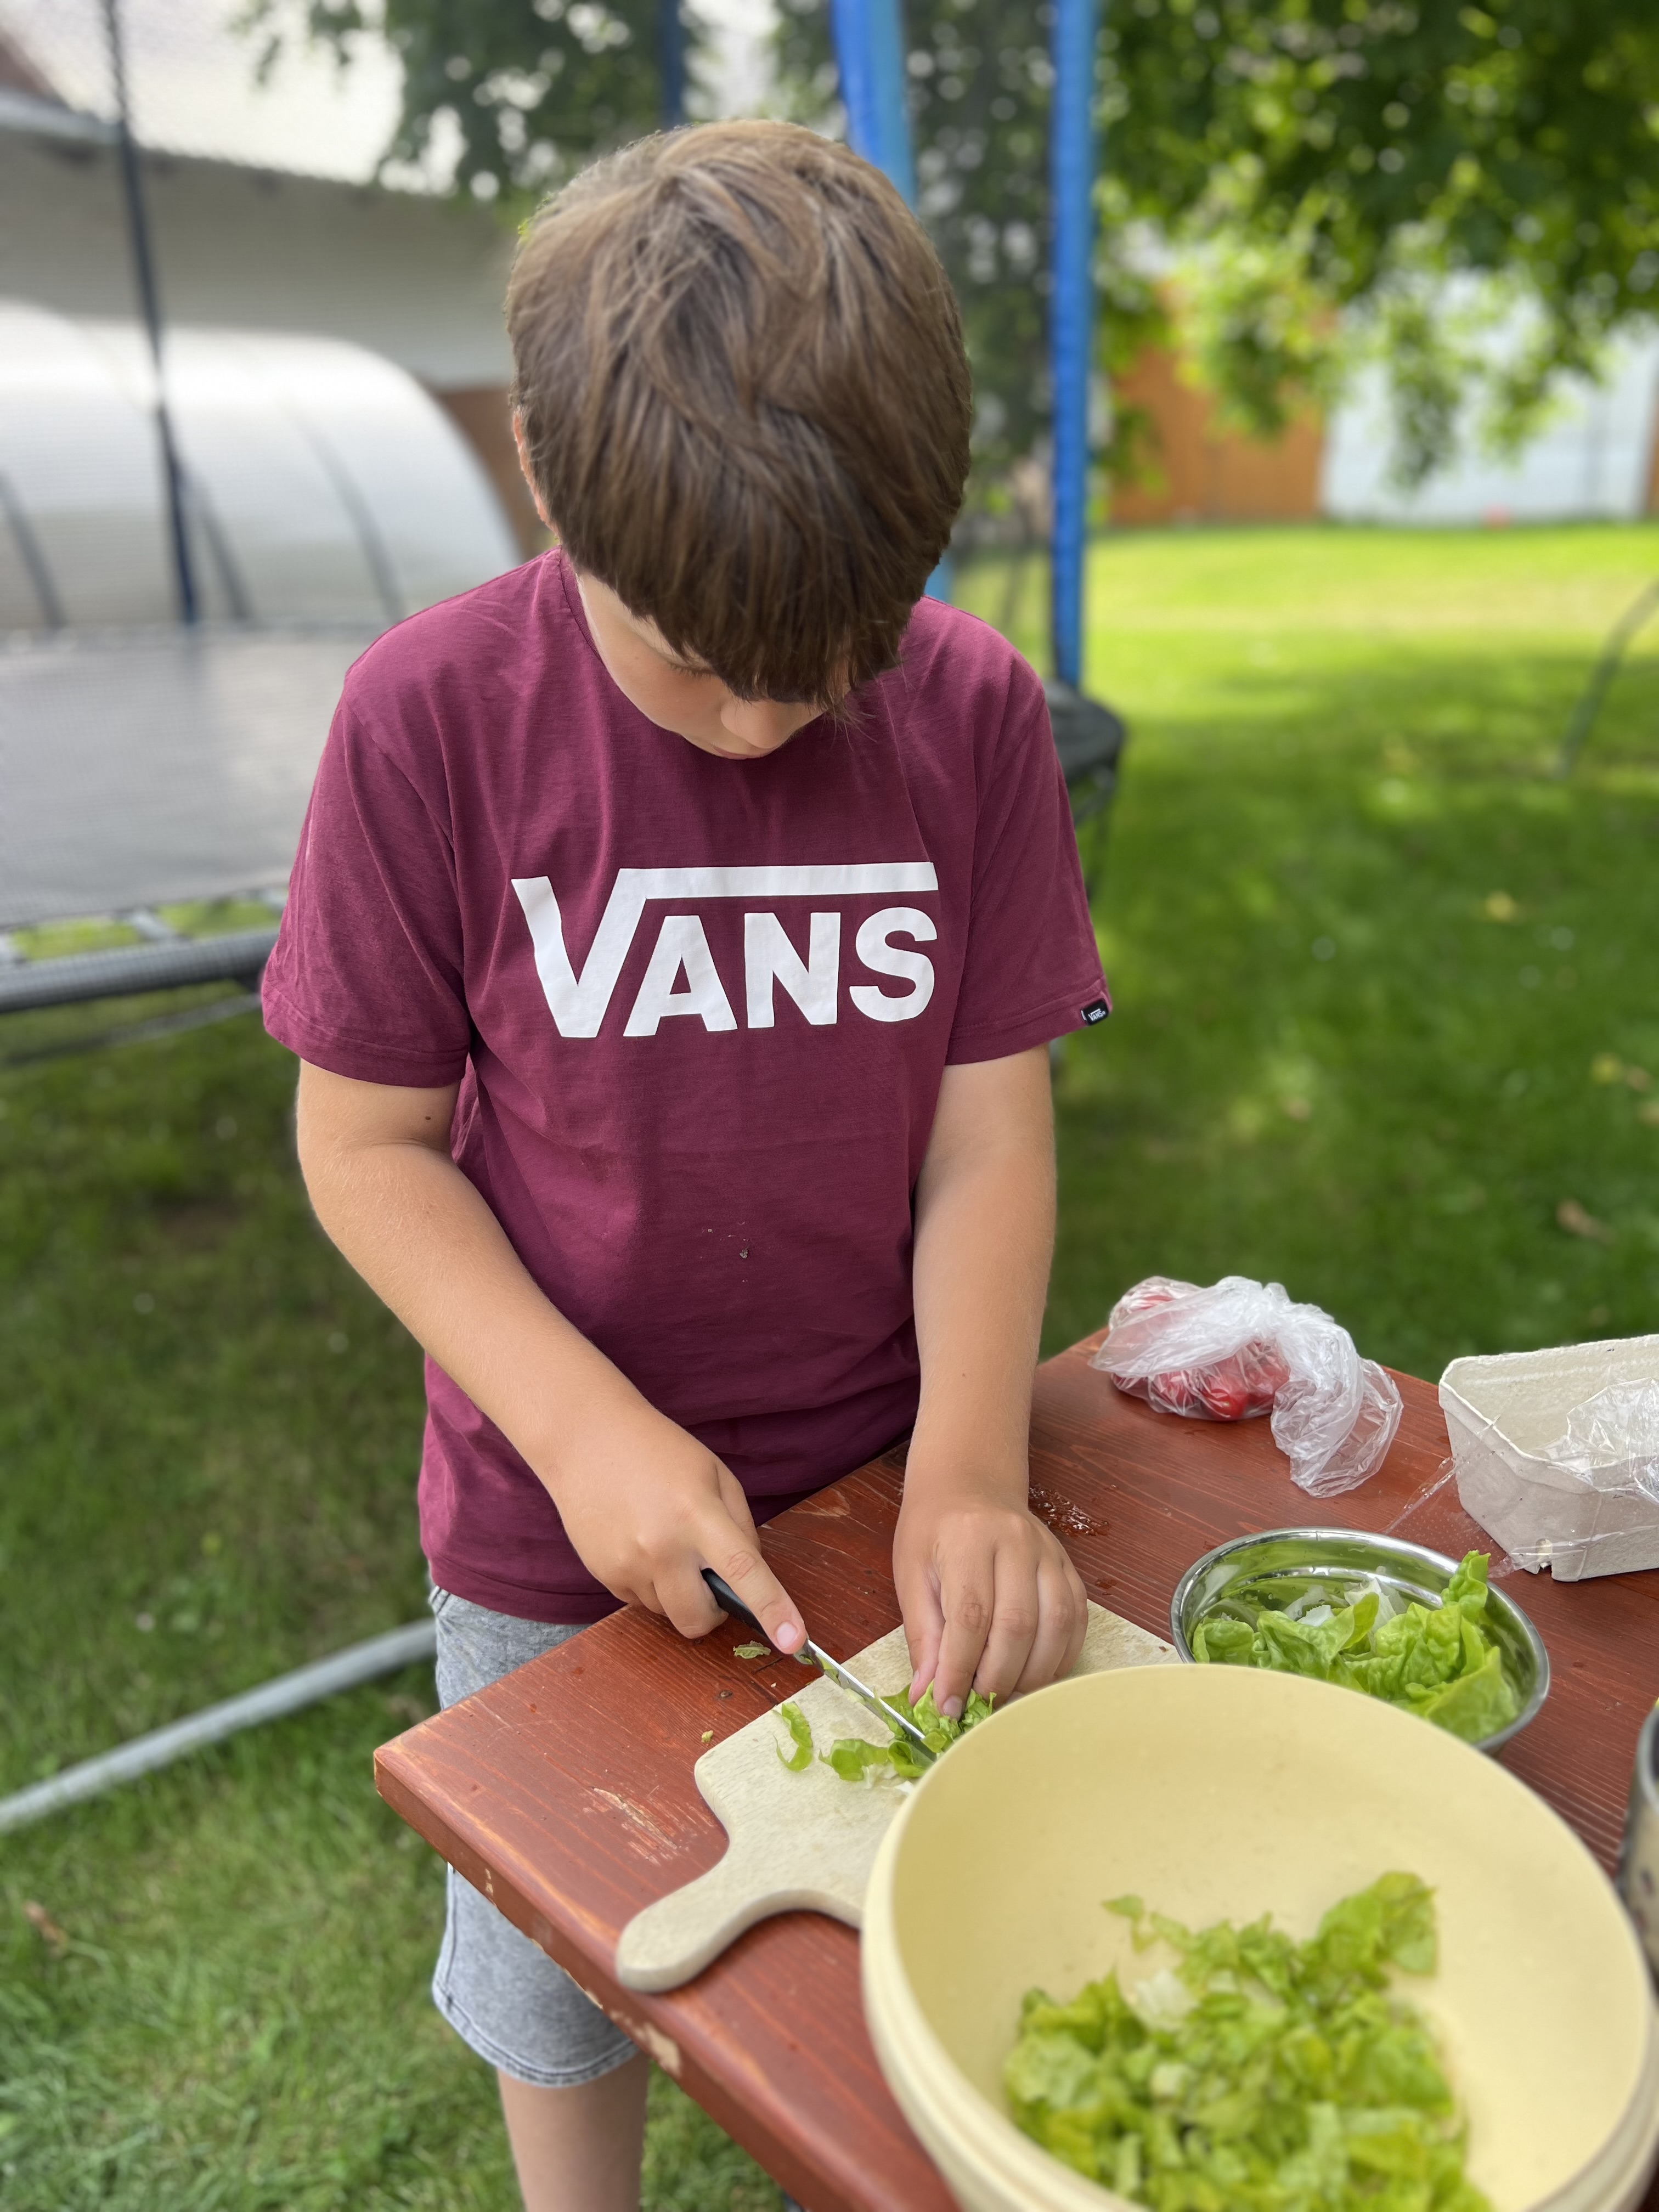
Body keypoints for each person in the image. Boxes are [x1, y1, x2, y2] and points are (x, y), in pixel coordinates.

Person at [263, 118, 1108, 2212]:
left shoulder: (973, 711)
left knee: (934, 1925)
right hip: (549, 1532)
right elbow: (365, 1146)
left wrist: (971, 1470)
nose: (755, 729)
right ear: (545, 481)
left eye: (823, 672)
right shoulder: (429, 721)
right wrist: (579, 1432)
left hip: (886, 1486)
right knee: (567, 1973)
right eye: (695, 665)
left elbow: (989, 1126)